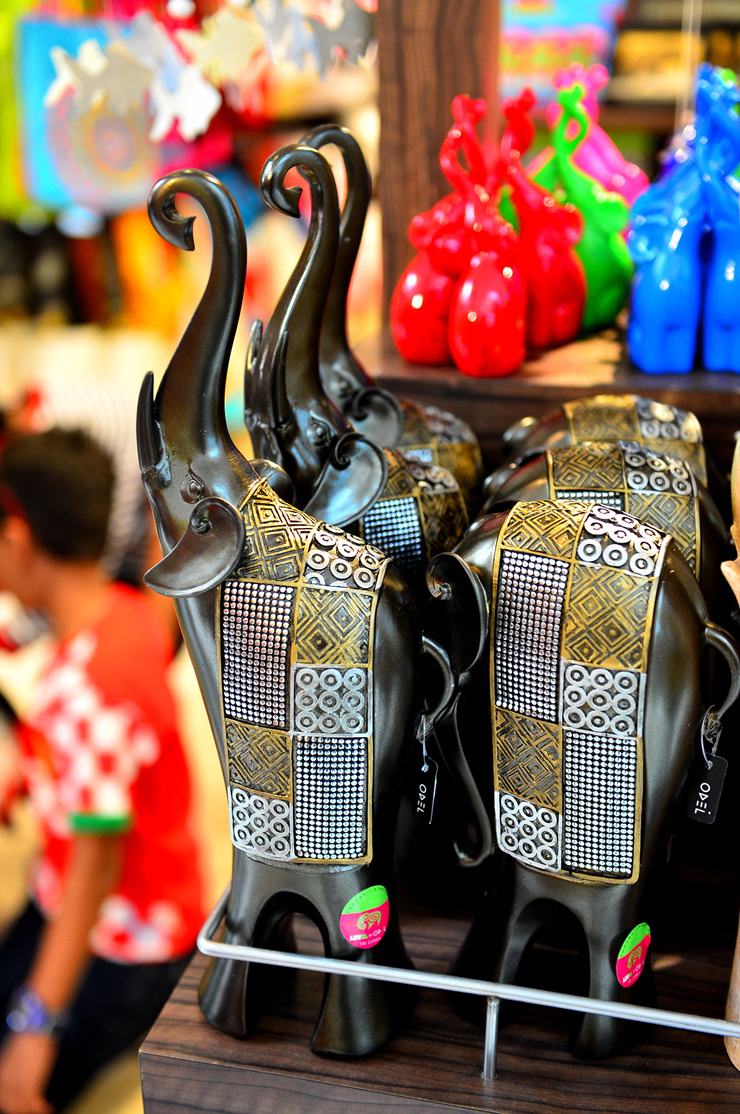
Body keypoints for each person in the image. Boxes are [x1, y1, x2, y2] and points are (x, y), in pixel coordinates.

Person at [0, 427, 206, 1114]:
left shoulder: (86, 696)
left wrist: (36, 1026)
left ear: (18, 540)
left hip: (124, 945)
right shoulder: (124, 614)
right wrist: (34, 778)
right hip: (84, 892)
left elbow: (95, 868)